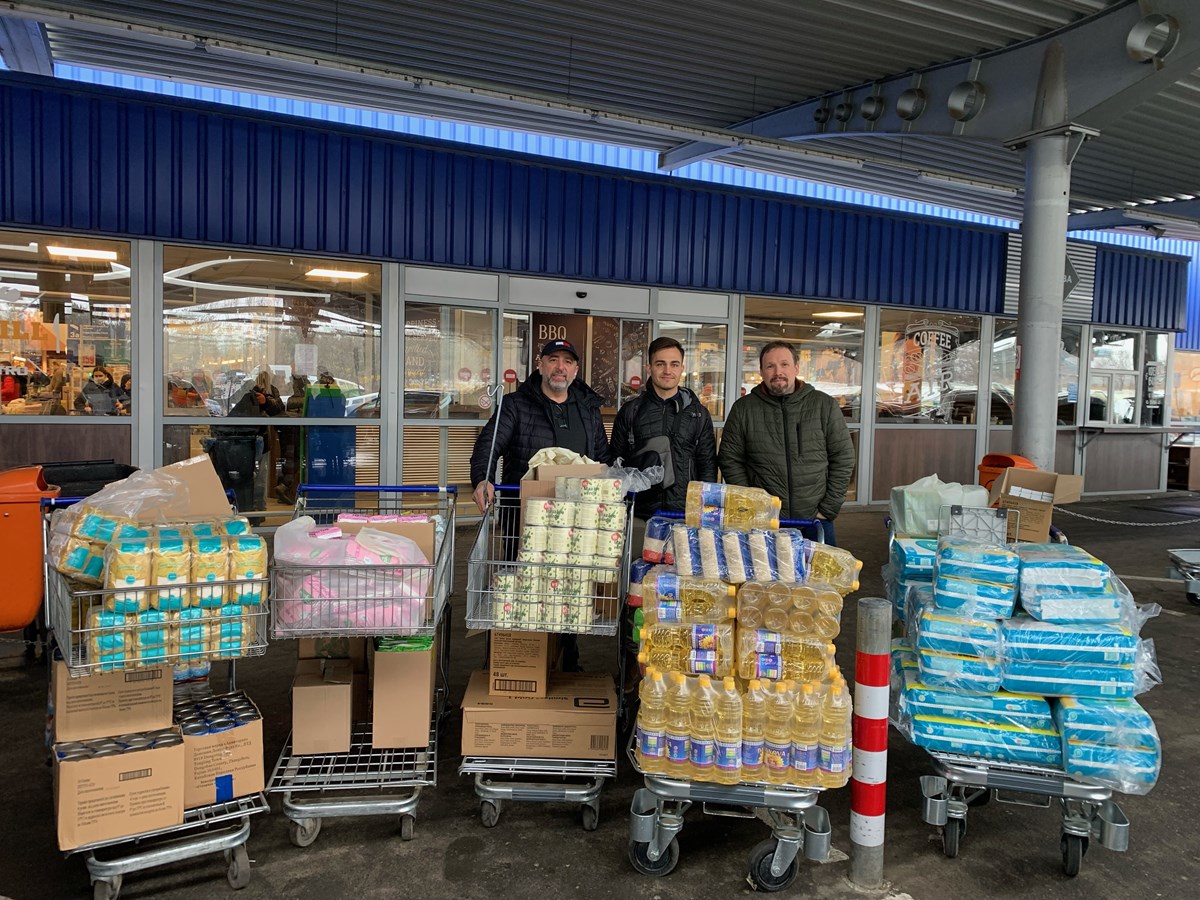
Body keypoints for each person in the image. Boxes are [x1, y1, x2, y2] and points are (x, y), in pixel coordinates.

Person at [470, 339, 609, 672]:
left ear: (576, 369)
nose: (560, 367)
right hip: (526, 522)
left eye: (567, 361)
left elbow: (602, 458)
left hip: (576, 523)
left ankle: (566, 661)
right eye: (553, 360)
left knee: (571, 591)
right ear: (540, 364)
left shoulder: (587, 410)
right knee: (523, 591)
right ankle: (512, 663)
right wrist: (482, 478)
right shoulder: (516, 405)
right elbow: (489, 445)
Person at [718, 340, 855, 546]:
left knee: (820, 578)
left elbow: (843, 457)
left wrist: (828, 508)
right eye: (770, 366)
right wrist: (753, 503)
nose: (777, 372)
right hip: (765, 522)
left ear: (796, 368)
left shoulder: (823, 405)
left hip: (816, 521)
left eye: (784, 364)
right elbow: (729, 458)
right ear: (762, 372)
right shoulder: (744, 409)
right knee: (765, 578)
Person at [610, 336, 717, 520]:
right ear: (649, 367)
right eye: (660, 364)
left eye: (674, 364)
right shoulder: (630, 412)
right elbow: (616, 466)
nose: (668, 370)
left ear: (682, 368)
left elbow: (707, 467)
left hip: (685, 516)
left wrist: (703, 514)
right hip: (640, 516)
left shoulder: (699, 414)